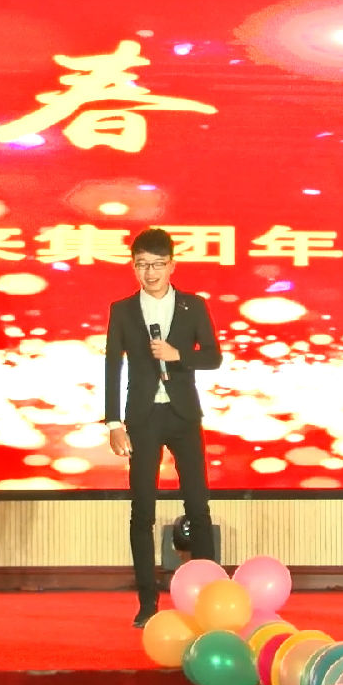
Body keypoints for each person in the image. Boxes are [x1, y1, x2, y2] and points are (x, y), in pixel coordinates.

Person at [105, 228, 223, 628]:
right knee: (142, 509)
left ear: (172, 265)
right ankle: (146, 602)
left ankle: (209, 598)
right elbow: (112, 367)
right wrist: (113, 422)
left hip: (183, 416)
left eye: (157, 264)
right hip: (142, 418)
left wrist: (178, 355)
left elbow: (213, 357)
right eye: (141, 265)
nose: (150, 272)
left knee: (198, 507)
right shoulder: (123, 310)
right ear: (133, 267)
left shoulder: (193, 306)